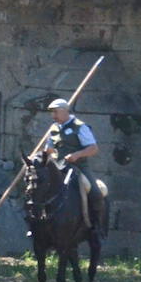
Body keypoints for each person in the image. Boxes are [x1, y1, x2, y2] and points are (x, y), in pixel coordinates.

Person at [40, 97, 102, 229]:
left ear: (64, 111)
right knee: (37, 187)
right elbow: (49, 147)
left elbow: (93, 148)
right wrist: (46, 153)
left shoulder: (80, 127)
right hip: (58, 167)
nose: (53, 116)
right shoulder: (54, 128)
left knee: (95, 192)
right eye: (52, 112)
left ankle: (96, 226)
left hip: (78, 167)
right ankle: (37, 223)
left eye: (55, 112)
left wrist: (77, 155)